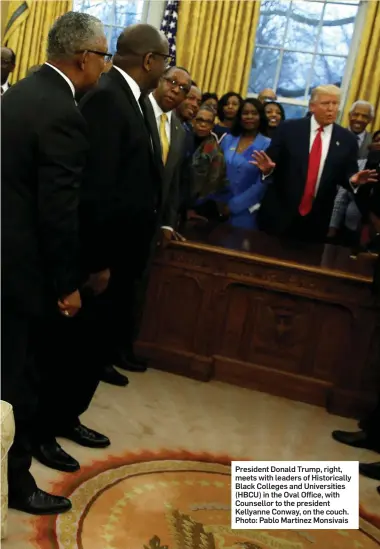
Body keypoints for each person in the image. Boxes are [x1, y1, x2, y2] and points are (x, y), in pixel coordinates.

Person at [1, 11, 108, 514]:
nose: (105, 66)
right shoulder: (63, 112)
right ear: (84, 57)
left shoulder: (18, 95)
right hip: (28, 275)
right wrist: (69, 284)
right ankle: (17, 483)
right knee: (22, 380)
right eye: (104, 56)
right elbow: (58, 212)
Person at [79, 24, 169, 385]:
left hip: (123, 250)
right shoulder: (108, 96)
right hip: (105, 253)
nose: (166, 68)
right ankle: (59, 420)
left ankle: (72, 411)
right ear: (149, 60)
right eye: (165, 60)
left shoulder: (131, 97)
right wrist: (98, 261)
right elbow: (97, 186)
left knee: (99, 335)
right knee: (83, 341)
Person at [253, 85, 378, 242]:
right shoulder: (289, 129)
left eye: (335, 104)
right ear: (312, 106)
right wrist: (267, 171)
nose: (331, 109)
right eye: (326, 104)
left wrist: (353, 181)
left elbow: (348, 175)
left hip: (316, 222)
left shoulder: (347, 140)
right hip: (278, 215)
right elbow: (271, 164)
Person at [328, 101, 375, 246]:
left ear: (370, 120)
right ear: (349, 115)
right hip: (329, 197)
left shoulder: (374, 141)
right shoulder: (333, 135)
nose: (359, 119)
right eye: (356, 114)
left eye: (364, 116)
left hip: (357, 204)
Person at [220, 98, 270, 229]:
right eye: (245, 113)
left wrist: (234, 205)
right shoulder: (227, 139)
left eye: (254, 113)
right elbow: (216, 171)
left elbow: (263, 182)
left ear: (261, 117)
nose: (249, 117)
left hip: (247, 211)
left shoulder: (268, 144)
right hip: (218, 207)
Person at [185, 105, 228, 222]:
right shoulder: (182, 139)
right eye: (200, 120)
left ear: (212, 126)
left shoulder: (215, 151)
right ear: (193, 121)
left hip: (201, 207)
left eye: (208, 122)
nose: (203, 125)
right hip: (175, 203)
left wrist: (192, 207)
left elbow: (213, 183)